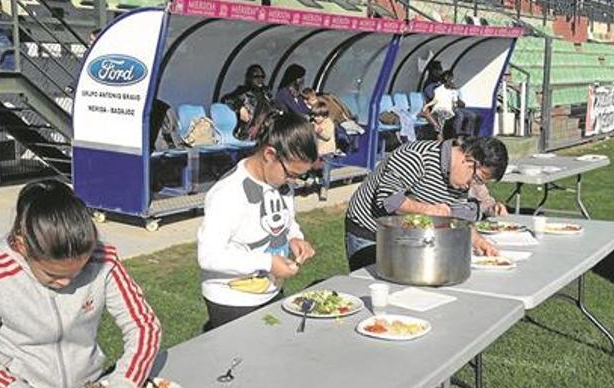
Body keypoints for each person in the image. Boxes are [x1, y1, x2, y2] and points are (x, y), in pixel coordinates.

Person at [0, 179, 161, 388]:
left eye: (78, 272)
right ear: (22, 245)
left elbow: (144, 326)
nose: (67, 282)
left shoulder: (103, 260)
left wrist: (120, 387)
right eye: (52, 275)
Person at [198, 111, 318, 331]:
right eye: (291, 174)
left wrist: (295, 237)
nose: (293, 181)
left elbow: (287, 220)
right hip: (233, 300)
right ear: (270, 154)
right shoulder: (228, 193)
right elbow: (209, 256)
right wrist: (268, 262)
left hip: (271, 291)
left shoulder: (280, 182)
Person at [344, 136, 509, 271]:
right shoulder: (416, 156)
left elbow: (458, 219)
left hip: (406, 237)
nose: (471, 186)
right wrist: (429, 210)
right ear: (470, 159)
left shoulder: (460, 180)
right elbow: (388, 199)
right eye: (477, 179)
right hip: (370, 234)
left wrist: (480, 242)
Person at [221, 64, 274, 140]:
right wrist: (240, 107)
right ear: (249, 78)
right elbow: (226, 99)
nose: (260, 79)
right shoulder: (243, 91)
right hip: (246, 132)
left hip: (262, 131)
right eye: (256, 77)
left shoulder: (266, 93)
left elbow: (273, 107)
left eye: (262, 76)